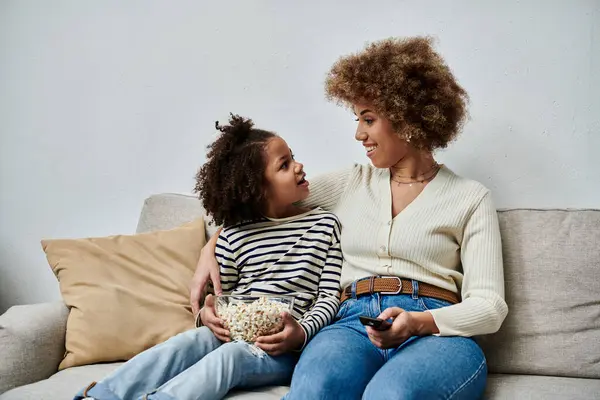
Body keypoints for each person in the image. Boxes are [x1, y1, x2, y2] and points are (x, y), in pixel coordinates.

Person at [191, 37, 508, 399]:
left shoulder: (471, 198)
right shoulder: (350, 183)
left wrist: (418, 322)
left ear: (407, 117)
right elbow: (258, 201)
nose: (359, 134)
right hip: (349, 324)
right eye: (357, 119)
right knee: (313, 389)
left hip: (436, 331)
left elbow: (489, 307)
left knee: (391, 394)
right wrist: (211, 246)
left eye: (368, 119)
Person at [75, 114, 342, 400]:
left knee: (231, 356)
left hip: (280, 349)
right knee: (189, 341)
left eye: (293, 157)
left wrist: (300, 333)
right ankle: (102, 395)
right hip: (233, 331)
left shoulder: (324, 225)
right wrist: (207, 316)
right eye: (284, 165)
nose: (299, 167)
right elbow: (218, 297)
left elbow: (329, 296)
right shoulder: (233, 236)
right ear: (258, 187)